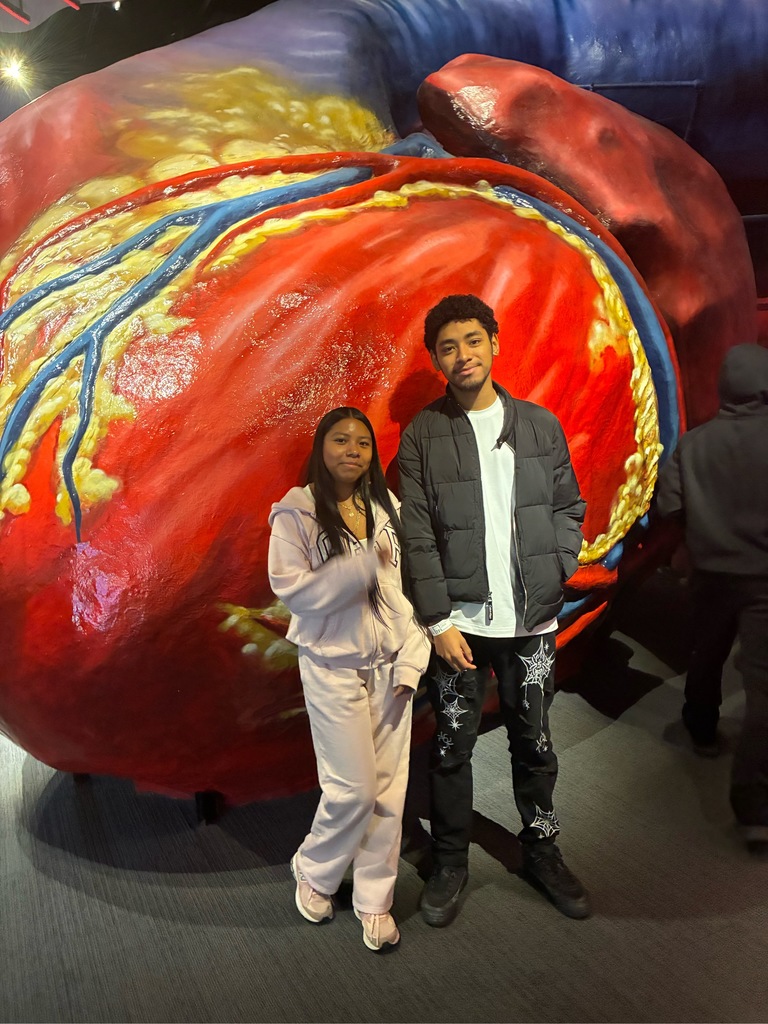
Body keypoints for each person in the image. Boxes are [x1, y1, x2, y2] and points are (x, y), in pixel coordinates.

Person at [397, 293, 590, 925]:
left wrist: (561, 565)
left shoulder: (539, 425)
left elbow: (568, 505)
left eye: (472, 341)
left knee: (535, 742)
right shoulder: (423, 434)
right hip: (460, 628)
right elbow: (416, 535)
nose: (462, 356)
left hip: (532, 623)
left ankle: (542, 849)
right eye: (448, 347)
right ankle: (451, 860)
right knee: (452, 745)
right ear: (435, 359)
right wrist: (437, 620)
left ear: (494, 343)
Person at [268, 407, 430, 951]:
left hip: (391, 666)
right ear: (321, 447)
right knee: (353, 789)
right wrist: (359, 564)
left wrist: (413, 655)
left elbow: (402, 591)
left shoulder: (386, 507)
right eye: (341, 440)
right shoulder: (296, 513)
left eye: (363, 442)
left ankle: (374, 899)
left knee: (390, 790)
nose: (353, 450)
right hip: (332, 664)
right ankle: (314, 867)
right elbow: (295, 592)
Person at [656, 343, 768, 852]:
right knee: (763, 690)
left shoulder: (693, 444)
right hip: (764, 581)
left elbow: (668, 505)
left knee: (705, 656)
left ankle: (701, 731)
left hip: (710, 572)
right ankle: (754, 807)